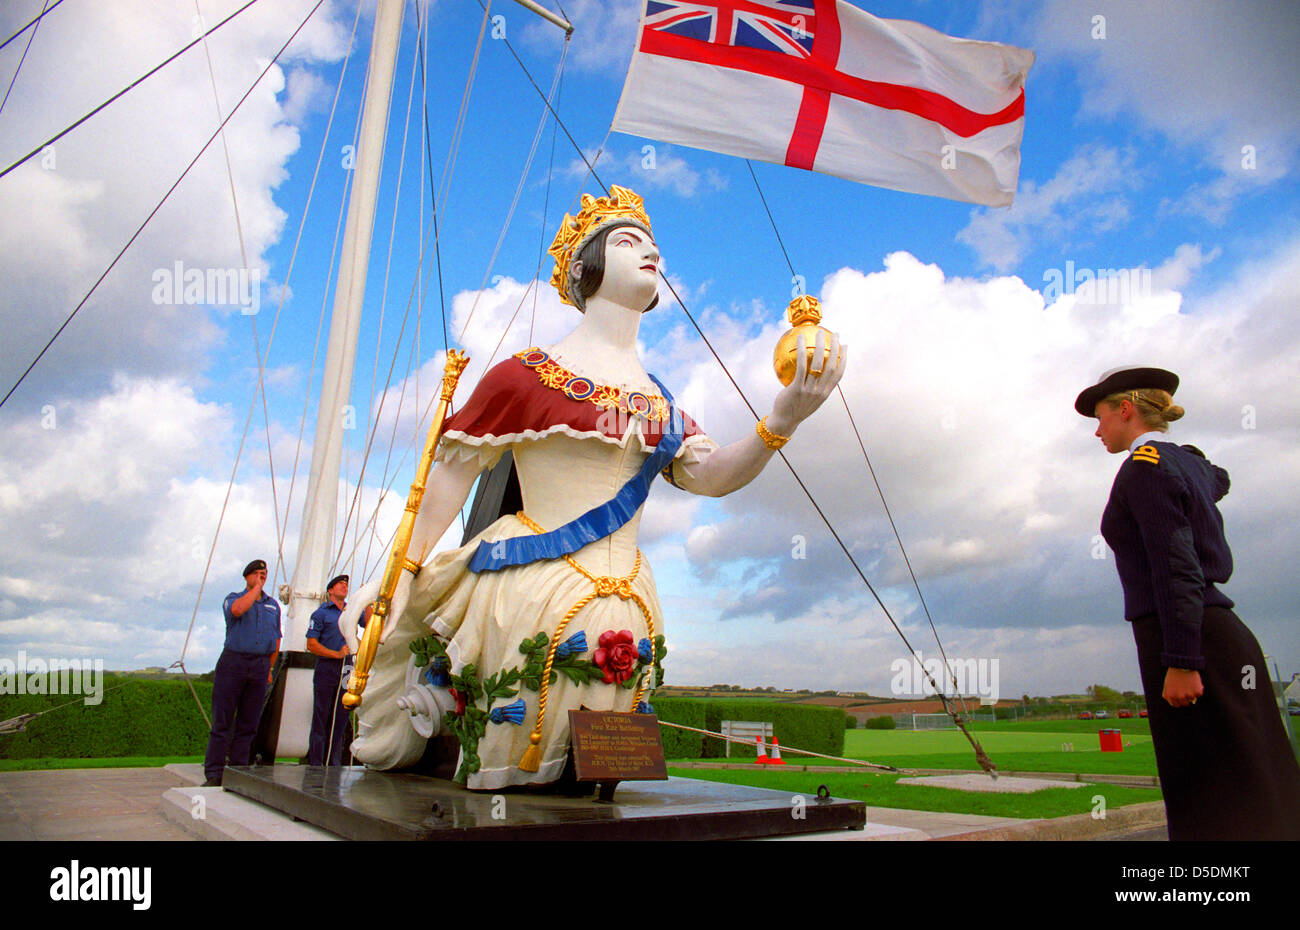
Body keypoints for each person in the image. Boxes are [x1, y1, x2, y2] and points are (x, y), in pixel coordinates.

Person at [340, 186, 847, 789]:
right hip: (530, 591)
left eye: (653, 244)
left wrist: (781, 419)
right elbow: (447, 481)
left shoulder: (657, 399)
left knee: (593, 776)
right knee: (520, 767)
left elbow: (710, 476)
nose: (649, 252)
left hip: (631, 599)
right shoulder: (524, 376)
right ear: (586, 268)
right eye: (628, 242)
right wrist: (394, 575)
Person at [1078, 365, 1300, 840]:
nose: (1097, 431)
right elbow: (1218, 478)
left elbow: (1175, 566)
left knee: (1208, 788)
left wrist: (1180, 660)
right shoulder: (1178, 463)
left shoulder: (1142, 472)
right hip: (1219, 632)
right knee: (1251, 777)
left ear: (1126, 409)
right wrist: (1187, 454)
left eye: (1100, 418)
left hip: (1186, 636)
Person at [203, 559, 281, 786]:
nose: (261, 576)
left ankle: (238, 770)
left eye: (264, 574)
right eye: (257, 573)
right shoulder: (232, 598)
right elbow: (237, 610)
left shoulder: (273, 606)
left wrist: (269, 667)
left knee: (248, 724)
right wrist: (255, 589)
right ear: (247, 577)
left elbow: (275, 639)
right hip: (233, 663)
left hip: (259, 665)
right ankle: (214, 774)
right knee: (223, 722)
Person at [306, 574, 354, 767]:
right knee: (321, 716)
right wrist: (336, 654)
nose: (345, 586)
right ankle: (317, 764)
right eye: (340, 584)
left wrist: (366, 602)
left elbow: (368, 623)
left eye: (346, 584)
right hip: (327, 668)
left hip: (347, 669)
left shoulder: (352, 612)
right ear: (331, 590)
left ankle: (334, 764)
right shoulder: (321, 614)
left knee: (341, 717)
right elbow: (311, 644)